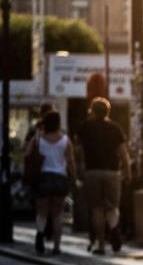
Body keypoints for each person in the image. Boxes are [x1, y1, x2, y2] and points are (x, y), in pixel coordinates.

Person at [77, 97, 131, 255]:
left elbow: (78, 151)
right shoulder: (115, 128)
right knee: (112, 207)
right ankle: (114, 229)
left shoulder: (85, 127)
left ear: (92, 111)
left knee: (97, 209)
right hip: (112, 172)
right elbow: (124, 154)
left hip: (92, 171)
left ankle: (101, 245)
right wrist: (128, 172)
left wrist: (79, 172)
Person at [25, 111, 76, 255]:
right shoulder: (65, 140)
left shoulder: (38, 138)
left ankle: (40, 235)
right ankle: (57, 247)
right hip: (60, 178)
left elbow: (27, 154)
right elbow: (71, 161)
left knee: (42, 213)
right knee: (57, 214)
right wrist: (74, 177)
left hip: (43, 177)